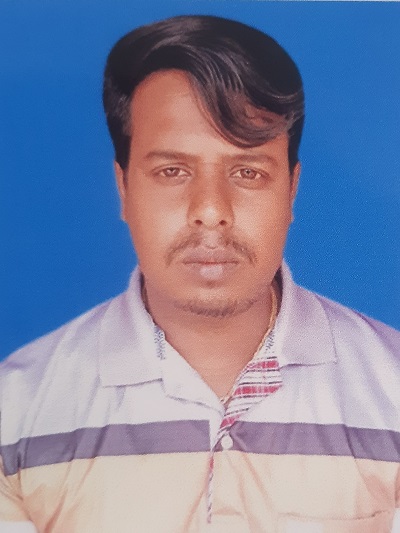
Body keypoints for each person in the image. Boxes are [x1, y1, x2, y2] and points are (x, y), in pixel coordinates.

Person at [0, 14, 399, 533]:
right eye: (172, 171)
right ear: (124, 188)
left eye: (247, 172)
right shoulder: (17, 411)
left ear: (291, 190)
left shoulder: (391, 391)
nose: (210, 210)